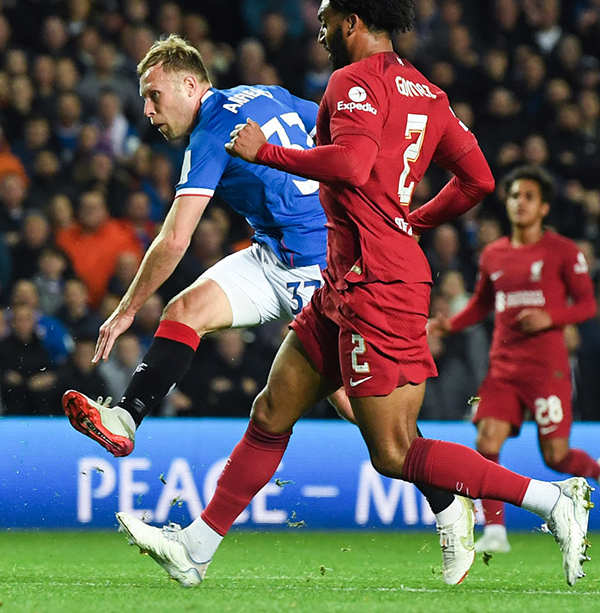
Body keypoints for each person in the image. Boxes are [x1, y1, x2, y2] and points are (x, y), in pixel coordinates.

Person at [116, 0, 590, 589]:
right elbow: (479, 180)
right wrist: (414, 219)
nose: (318, 33)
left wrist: (271, 154)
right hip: (348, 275)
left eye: (324, 22)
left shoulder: (351, 83)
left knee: (394, 452)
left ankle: (553, 501)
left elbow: (353, 162)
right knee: (272, 408)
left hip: (377, 284)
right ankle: (194, 550)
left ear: (352, 21)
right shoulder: (428, 93)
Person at [61, 32, 463, 578]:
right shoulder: (262, 94)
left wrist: (128, 307)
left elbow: (176, 239)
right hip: (272, 253)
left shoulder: (211, 131)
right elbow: (330, 124)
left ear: (190, 83)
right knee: (184, 311)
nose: (148, 111)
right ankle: (126, 418)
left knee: (364, 417)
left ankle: (449, 504)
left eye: (155, 95)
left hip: (317, 265)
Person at [429, 166, 600, 553]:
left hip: (546, 369)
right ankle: (496, 531)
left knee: (557, 457)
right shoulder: (493, 254)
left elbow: (587, 304)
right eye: (515, 195)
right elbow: (482, 305)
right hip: (503, 368)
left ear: (544, 207)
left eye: (528, 197)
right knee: (487, 439)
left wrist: (551, 318)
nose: (520, 203)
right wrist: (449, 325)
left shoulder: (563, 252)